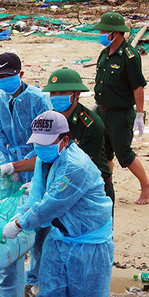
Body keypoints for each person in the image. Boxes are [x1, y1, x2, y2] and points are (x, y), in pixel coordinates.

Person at [2, 110, 114, 297]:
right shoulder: (45, 160)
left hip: (88, 245)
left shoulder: (76, 167)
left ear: (64, 140)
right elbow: (37, 197)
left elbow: (51, 205)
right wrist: (21, 213)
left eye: (46, 143)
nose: (40, 148)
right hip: (59, 237)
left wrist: (20, 224)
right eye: (37, 143)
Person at [0, 52, 52, 297]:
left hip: (38, 166)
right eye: (0, 77)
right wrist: (3, 166)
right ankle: (8, 294)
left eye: (9, 76)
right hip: (9, 172)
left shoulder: (39, 100)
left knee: (40, 226)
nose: (5, 81)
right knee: (8, 230)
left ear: (21, 75)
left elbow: (46, 142)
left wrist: (30, 172)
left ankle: (36, 280)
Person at [93, 12, 149, 205]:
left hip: (120, 113)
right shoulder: (105, 53)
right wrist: (97, 103)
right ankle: (106, 186)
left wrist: (139, 114)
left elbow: (138, 86)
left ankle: (146, 185)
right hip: (103, 110)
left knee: (124, 154)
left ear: (115, 33)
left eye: (104, 31)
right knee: (104, 152)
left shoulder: (130, 56)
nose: (101, 34)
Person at [42, 67, 114, 202]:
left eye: (62, 92)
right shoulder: (49, 120)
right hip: (60, 182)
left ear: (77, 94)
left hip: (92, 188)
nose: (56, 97)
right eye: (53, 93)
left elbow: (79, 166)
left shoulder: (91, 124)